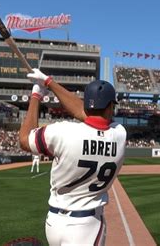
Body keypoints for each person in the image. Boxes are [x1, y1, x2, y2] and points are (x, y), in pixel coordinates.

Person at [19, 69, 126, 246]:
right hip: (87, 226)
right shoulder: (119, 134)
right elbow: (84, 114)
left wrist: (38, 92)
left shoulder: (62, 132)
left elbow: (24, 139)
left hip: (53, 223)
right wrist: (48, 82)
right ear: (109, 107)